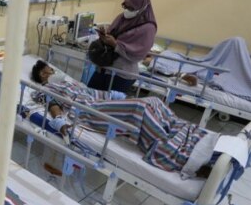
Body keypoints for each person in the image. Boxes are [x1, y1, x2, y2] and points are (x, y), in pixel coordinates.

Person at [31, 61, 219, 177]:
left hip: (97, 102)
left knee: (152, 100)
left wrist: (116, 96)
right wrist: (61, 123)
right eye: (49, 71)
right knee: (139, 108)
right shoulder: (45, 90)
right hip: (86, 111)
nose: (54, 73)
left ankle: (184, 135)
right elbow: (53, 106)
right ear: (42, 76)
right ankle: (178, 156)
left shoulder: (67, 83)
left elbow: (91, 91)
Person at [88, 0, 157, 92]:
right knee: (88, 96)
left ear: (142, 7)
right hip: (104, 68)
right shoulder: (122, 17)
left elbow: (137, 54)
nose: (127, 10)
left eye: (131, 8)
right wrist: (104, 37)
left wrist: (115, 44)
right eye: (125, 6)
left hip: (122, 74)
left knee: (107, 106)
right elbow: (113, 34)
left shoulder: (148, 28)